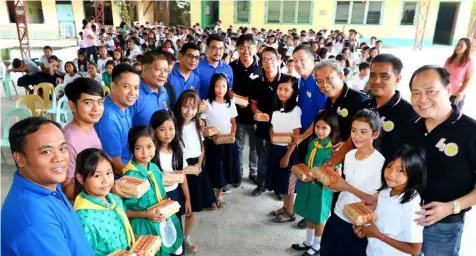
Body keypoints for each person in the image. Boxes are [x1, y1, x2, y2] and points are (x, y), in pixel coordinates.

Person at [405, 65, 476, 256]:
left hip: (443, 226)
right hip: (405, 217)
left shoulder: (470, 131)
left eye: (431, 91)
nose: (422, 99)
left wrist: (451, 207)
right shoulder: (411, 127)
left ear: (448, 90)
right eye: (416, 93)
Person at [1, 117, 94, 255]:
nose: (59, 158)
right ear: (20, 159)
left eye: (62, 148)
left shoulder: (49, 186)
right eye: (46, 152)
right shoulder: (34, 220)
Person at [320, 109, 385, 256]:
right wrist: (335, 186)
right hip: (338, 214)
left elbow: (375, 201)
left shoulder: (381, 164)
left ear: (375, 134)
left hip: (358, 224)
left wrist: (345, 186)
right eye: (354, 130)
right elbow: (344, 184)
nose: (356, 136)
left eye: (363, 132)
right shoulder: (349, 155)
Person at [353, 146, 426, 256]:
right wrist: (365, 232)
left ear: (413, 173)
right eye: (389, 166)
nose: (391, 174)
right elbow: (380, 227)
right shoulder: (385, 192)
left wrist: (378, 235)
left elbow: (415, 250)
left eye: (400, 170)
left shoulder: (411, 207)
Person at [123, 126, 184, 256]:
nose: (145, 152)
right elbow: (124, 211)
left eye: (149, 146)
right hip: (143, 228)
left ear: (155, 145)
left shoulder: (154, 168)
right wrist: (146, 214)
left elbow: (161, 195)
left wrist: (167, 204)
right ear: (132, 150)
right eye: (139, 148)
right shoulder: (130, 177)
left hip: (161, 221)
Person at [291, 111, 341, 256]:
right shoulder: (313, 142)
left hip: (322, 189)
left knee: (319, 217)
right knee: (308, 213)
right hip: (307, 184)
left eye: (324, 128)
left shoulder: (333, 149)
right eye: (317, 127)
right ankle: (309, 241)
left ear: (332, 129)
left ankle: (317, 245)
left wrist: (321, 178)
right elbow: (308, 161)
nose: (319, 131)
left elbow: (336, 173)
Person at [174, 90, 217, 253]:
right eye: (185, 107)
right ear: (179, 107)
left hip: (196, 169)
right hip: (179, 168)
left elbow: (201, 146)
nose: (189, 111)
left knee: (193, 208)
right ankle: (176, 239)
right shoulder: (174, 126)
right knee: (179, 207)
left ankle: (186, 236)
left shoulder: (197, 124)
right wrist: (185, 169)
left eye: (193, 108)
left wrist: (199, 164)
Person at [73, 148, 134, 256]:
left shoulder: (115, 200)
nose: (105, 180)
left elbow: (124, 233)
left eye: (108, 173)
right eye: (97, 175)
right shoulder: (83, 218)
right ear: (81, 178)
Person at [201, 73, 240, 205]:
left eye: (224, 86)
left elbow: (233, 122)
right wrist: (210, 135)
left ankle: (218, 195)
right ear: (212, 87)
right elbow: (203, 123)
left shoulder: (230, 103)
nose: (220, 89)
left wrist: (232, 134)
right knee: (213, 167)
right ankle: (211, 197)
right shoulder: (207, 103)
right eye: (217, 86)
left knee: (225, 167)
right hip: (213, 142)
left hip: (227, 142)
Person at [266, 75, 301, 223]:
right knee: (281, 182)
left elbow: (296, 136)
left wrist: (287, 155)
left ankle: (291, 212)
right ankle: (285, 207)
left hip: (288, 151)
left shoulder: (295, 110)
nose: (282, 92)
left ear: (294, 92)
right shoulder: (276, 108)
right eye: (280, 88)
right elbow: (272, 127)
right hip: (276, 149)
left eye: (287, 90)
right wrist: (271, 133)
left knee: (289, 184)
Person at [62, 78, 104, 201]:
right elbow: (66, 189)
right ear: (72, 105)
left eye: (100, 102)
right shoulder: (70, 139)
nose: (96, 108)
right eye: (88, 102)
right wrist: (104, 185)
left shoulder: (90, 127)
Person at [95, 64, 140, 175]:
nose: (132, 92)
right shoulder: (108, 119)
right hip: (120, 178)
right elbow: (116, 166)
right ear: (113, 86)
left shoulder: (124, 106)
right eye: (126, 86)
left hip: (131, 164)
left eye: (136, 88)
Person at [150, 110, 192, 227]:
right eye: (162, 129)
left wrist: (187, 199)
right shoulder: (151, 154)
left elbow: (182, 177)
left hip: (174, 195)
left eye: (171, 128)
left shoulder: (177, 151)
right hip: (158, 198)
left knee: (176, 226)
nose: (168, 133)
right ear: (154, 131)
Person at [249, 47, 282, 197]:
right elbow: (253, 103)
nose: (268, 62)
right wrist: (256, 112)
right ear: (261, 63)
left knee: (279, 158)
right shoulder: (257, 82)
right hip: (262, 126)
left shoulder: (288, 80)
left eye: (271, 59)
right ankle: (261, 184)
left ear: (278, 60)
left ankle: (278, 188)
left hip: (282, 129)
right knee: (262, 158)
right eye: (265, 59)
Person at [230, 34, 262, 183]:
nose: (245, 51)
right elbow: (227, 89)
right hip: (237, 115)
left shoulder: (261, 68)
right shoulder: (232, 67)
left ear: (255, 48)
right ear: (237, 49)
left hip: (256, 116)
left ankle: (253, 172)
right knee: (238, 147)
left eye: (249, 47)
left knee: (255, 148)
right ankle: (238, 173)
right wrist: (234, 96)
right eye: (241, 48)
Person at [132, 51, 172, 127]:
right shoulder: (133, 94)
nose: (163, 74)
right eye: (158, 69)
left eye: (166, 71)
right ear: (144, 68)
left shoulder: (164, 91)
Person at [194, 34, 234, 99]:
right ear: (207, 49)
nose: (218, 52)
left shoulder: (228, 69)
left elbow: (229, 90)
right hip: (202, 107)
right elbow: (192, 92)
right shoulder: (196, 67)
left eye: (221, 48)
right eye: (214, 48)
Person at [444, 37, 473, 108]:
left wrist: (461, 94)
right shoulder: (449, 60)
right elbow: (443, 74)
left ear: (466, 48)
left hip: (456, 95)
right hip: (445, 92)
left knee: (454, 116)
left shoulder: (468, 62)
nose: (458, 47)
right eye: (457, 44)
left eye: (461, 45)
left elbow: (468, 79)